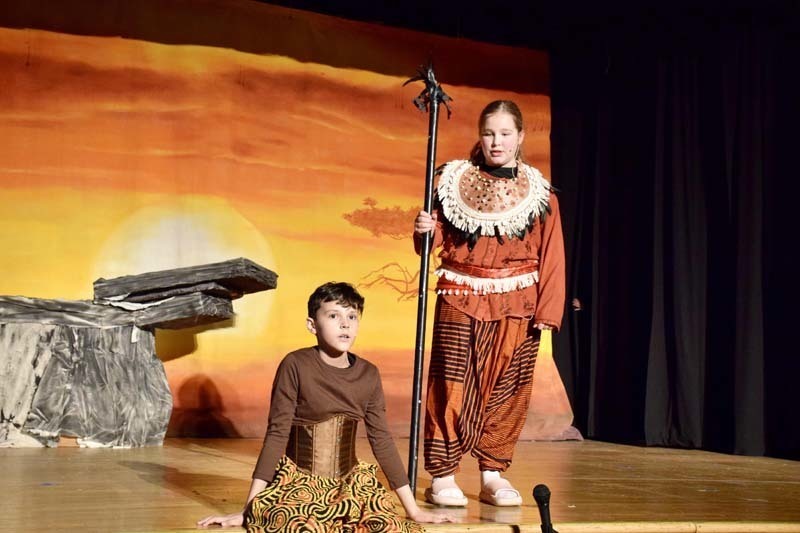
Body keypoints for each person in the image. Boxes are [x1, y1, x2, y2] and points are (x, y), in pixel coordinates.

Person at [197, 282, 453, 531]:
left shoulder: (369, 373)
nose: (345, 324)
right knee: (299, 526)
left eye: (352, 316)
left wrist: (414, 511)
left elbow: (382, 441)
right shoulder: (295, 364)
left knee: (378, 525)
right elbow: (277, 434)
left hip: (349, 485)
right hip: (298, 483)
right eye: (333, 315)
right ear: (312, 325)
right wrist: (249, 509)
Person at [413, 100, 565, 507]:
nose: (496, 141)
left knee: (507, 388)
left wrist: (548, 311)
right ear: (479, 135)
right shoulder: (451, 179)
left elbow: (552, 253)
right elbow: (429, 244)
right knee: (451, 382)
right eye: (489, 132)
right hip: (461, 294)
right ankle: (443, 473)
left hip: (519, 303)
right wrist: (424, 230)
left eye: (504, 133)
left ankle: (492, 472)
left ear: (519, 136)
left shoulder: (541, 194)